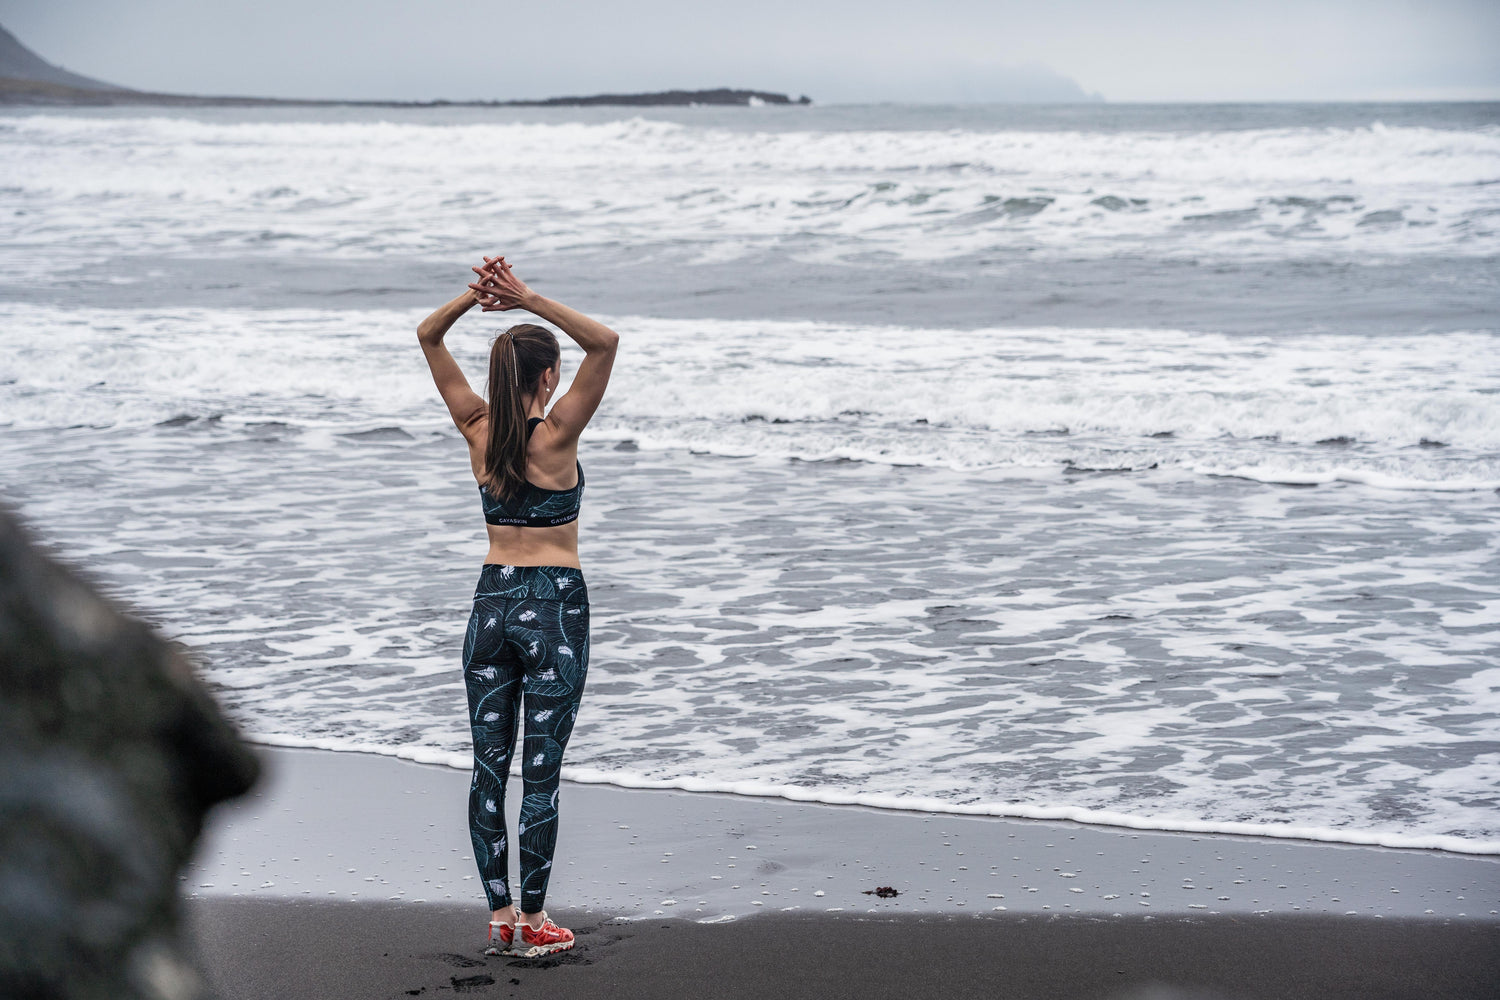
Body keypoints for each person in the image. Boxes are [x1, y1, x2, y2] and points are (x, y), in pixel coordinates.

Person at [417, 255, 619, 958]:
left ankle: (500, 916)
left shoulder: (478, 430)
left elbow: (428, 337)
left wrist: (474, 300)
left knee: (487, 767)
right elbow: (607, 343)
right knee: (540, 773)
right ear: (545, 378)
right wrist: (526, 298)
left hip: (491, 605)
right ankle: (536, 922)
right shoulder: (558, 435)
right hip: (555, 606)